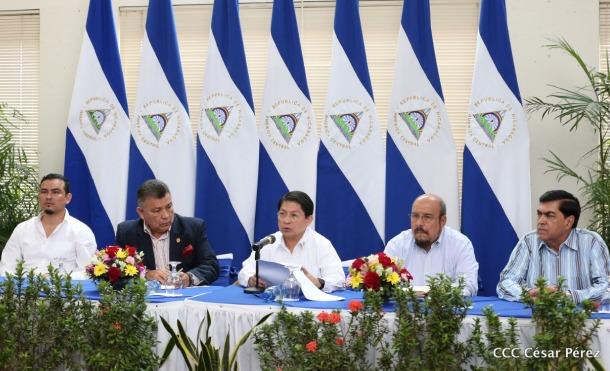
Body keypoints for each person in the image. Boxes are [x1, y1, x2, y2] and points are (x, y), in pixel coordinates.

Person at [497, 190, 610, 303]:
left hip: (581, 317)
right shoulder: (529, 241)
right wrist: (529, 294)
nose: (541, 221)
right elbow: (505, 283)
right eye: (539, 214)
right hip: (537, 316)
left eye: (549, 215)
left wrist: (569, 296)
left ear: (569, 222)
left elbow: (606, 287)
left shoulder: (591, 242)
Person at [115, 179, 218, 287]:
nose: (166, 215)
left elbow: (211, 266)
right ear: (141, 212)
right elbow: (116, 276)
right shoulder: (126, 232)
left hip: (184, 299)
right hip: (147, 301)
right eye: (157, 210)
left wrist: (189, 278)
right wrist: (146, 275)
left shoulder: (193, 228)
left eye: (169, 207)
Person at [238, 191, 345, 292]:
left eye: (294, 215)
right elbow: (245, 271)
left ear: (308, 220)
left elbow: (338, 279)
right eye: (282, 213)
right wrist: (251, 279)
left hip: (308, 306)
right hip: (271, 303)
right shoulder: (268, 242)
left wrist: (318, 282)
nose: (286, 220)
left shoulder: (321, 244)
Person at [0, 173, 97, 277]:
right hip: (24, 291)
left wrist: (55, 280)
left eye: (55, 192)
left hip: (64, 291)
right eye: (44, 192)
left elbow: (87, 272)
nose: (49, 197)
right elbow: (6, 267)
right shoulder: (22, 229)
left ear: (68, 198)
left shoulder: (81, 231)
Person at [384, 194, 479, 296]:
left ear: (442, 221)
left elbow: (468, 286)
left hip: (445, 310)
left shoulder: (460, 244)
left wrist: (433, 296)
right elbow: (384, 286)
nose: (419, 223)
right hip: (404, 310)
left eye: (427, 217)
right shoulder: (397, 245)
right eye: (415, 216)